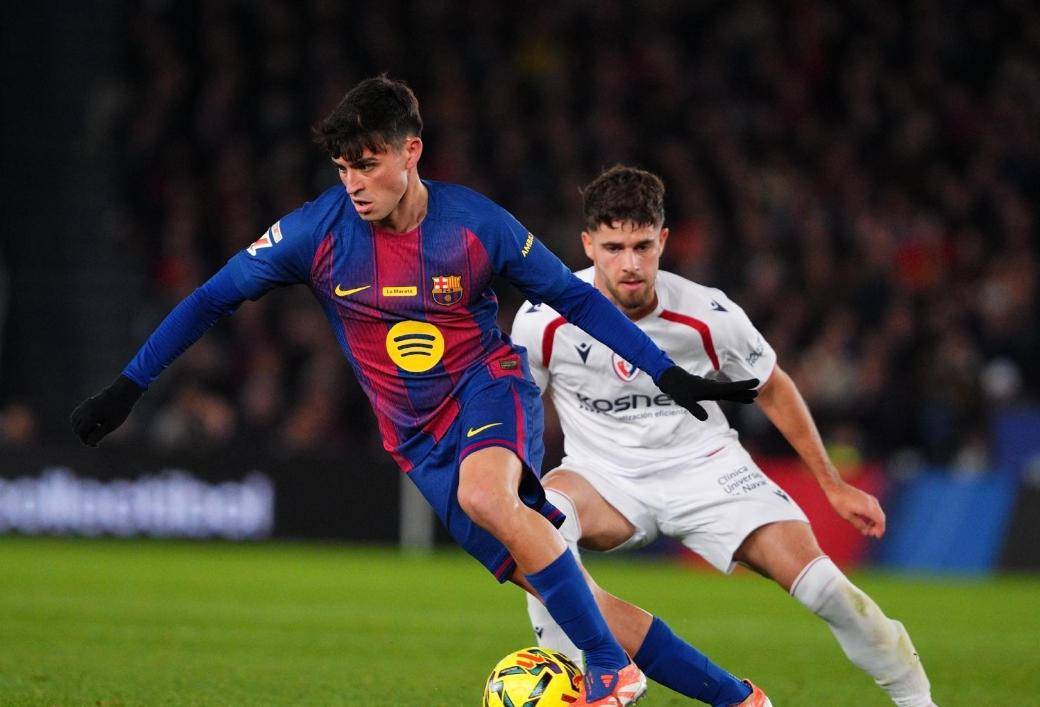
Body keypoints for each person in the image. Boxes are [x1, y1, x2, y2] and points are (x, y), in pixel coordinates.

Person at [70, 77, 771, 707]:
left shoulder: (476, 225)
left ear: (411, 151)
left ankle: (610, 672)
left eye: (367, 164)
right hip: (417, 443)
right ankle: (738, 698)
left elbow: (575, 298)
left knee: (485, 496)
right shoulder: (315, 233)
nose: (353, 183)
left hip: (487, 388)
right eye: (343, 167)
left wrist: (665, 371)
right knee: (583, 601)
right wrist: (130, 385)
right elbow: (210, 298)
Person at [512, 165, 938, 707]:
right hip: (603, 477)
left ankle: (917, 701)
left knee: (826, 589)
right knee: (537, 522)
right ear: (587, 245)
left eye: (643, 246)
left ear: (664, 241)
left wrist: (832, 484)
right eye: (614, 248)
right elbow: (520, 403)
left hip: (708, 469)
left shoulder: (707, 314)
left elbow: (774, 388)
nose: (630, 264)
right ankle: (578, 678)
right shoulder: (543, 318)